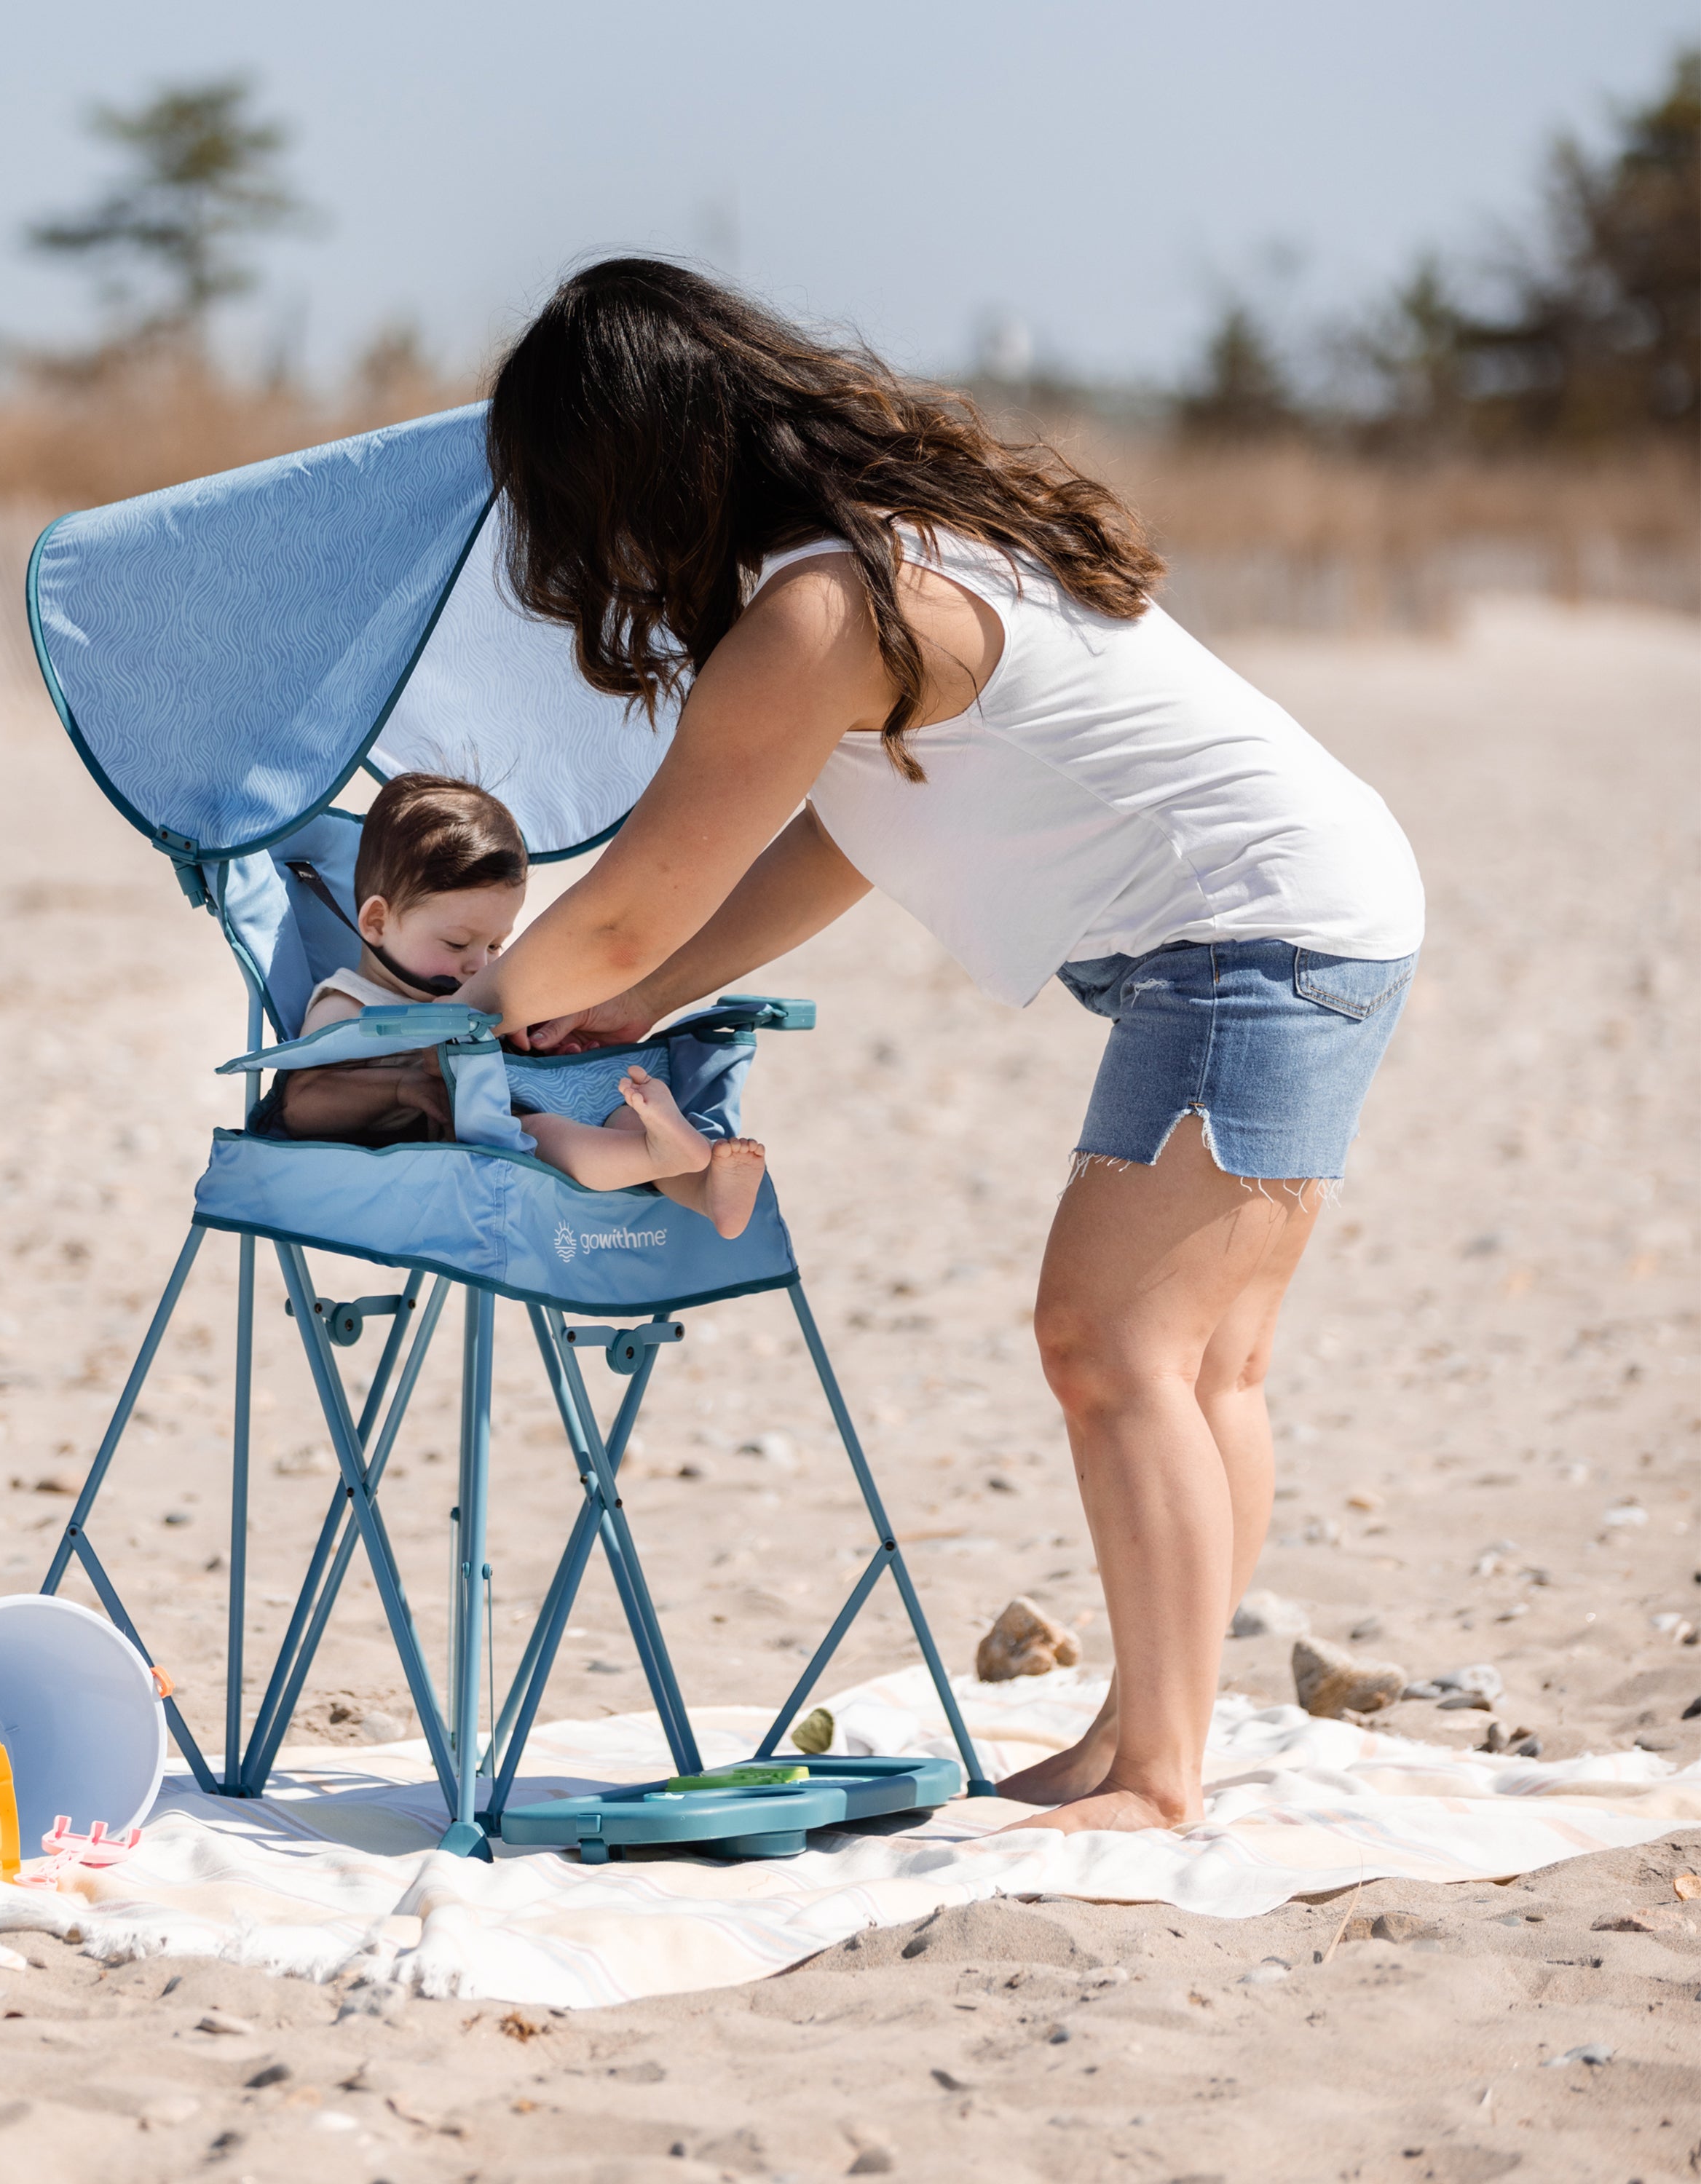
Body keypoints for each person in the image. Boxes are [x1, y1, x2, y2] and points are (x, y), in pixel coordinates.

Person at [452, 259, 1424, 1837]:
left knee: (1106, 1348)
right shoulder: (888, 555)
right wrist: (651, 996)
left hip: (1257, 931)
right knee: (1202, 1362)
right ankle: (1143, 1738)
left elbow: (620, 912)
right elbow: (853, 838)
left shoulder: (821, 611)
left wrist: (457, 1016)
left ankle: (1161, 1777)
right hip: (1304, 907)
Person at [278, 771, 768, 1239]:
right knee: (544, 1134)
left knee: (619, 1110)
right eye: (456, 944)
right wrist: (405, 1085)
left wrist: (543, 1047)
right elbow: (302, 1106)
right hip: (481, 1148)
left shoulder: (476, 992)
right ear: (378, 922)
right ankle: (661, 1156)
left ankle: (703, 1190)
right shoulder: (349, 1005)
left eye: (495, 946)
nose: (479, 966)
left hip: (520, 1111)